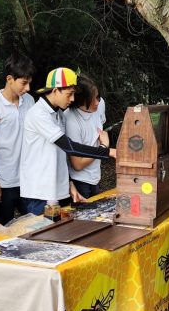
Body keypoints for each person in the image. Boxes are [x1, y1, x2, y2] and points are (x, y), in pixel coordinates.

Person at [19, 67, 116, 215]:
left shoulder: (59, 115)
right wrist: (107, 151)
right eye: (69, 94)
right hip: (40, 194)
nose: (72, 99)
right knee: (44, 237)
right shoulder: (38, 114)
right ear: (55, 90)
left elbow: (62, 156)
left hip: (59, 191)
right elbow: (70, 147)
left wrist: (70, 185)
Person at [0, 54, 35, 225]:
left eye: (29, 83)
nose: (27, 88)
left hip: (28, 178)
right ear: (10, 79)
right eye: (24, 83)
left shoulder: (30, 101)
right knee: (5, 229)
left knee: (35, 225)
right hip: (4, 181)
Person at [64, 74, 107, 198]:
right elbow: (77, 164)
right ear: (80, 100)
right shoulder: (71, 120)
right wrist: (103, 148)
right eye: (93, 99)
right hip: (80, 182)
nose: (97, 102)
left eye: (98, 96)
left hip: (96, 177)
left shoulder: (99, 105)